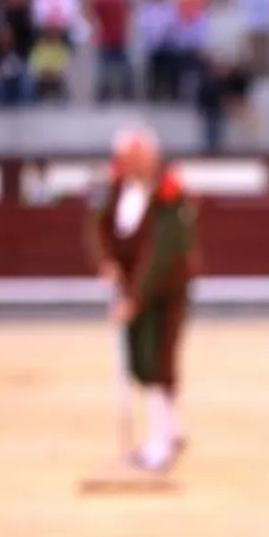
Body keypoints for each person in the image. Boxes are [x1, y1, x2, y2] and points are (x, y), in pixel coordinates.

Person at [85, 125, 201, 473]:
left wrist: (135, 297)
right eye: (126, 158)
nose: (132, 165)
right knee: (140, 361)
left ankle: (161, 444)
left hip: (165, 288)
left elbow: (163, 252)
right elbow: (96, 227)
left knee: (158, 360)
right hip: (132, 289)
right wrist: (105, 263)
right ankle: (169, 432)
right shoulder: (113, 187)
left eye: (138, 158)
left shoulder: (170, 191)